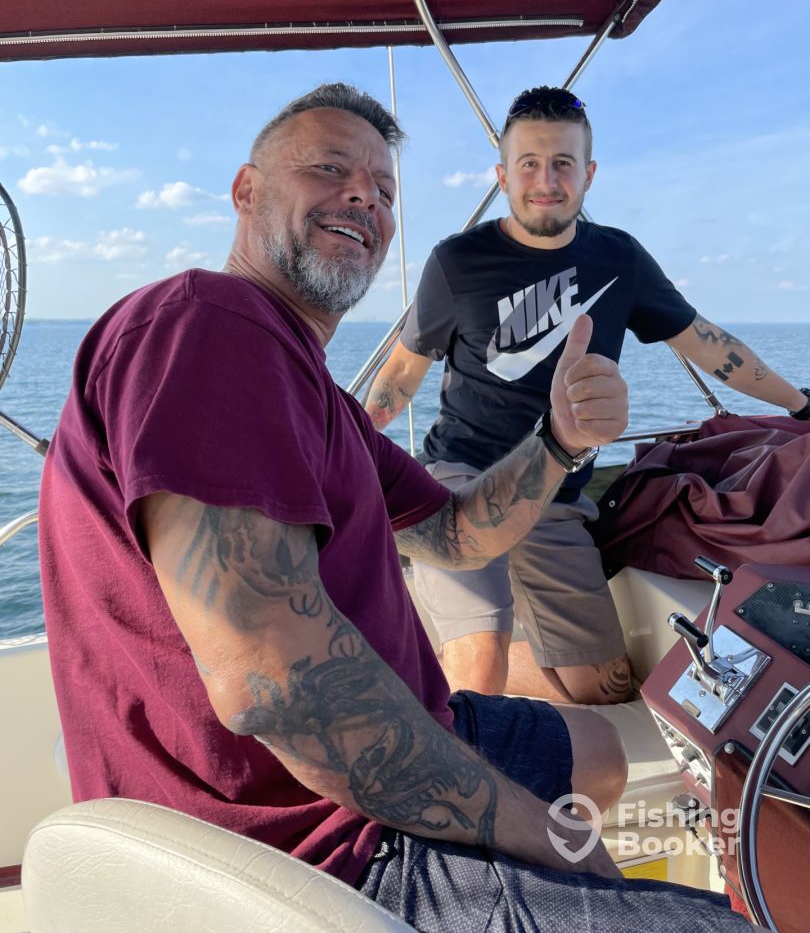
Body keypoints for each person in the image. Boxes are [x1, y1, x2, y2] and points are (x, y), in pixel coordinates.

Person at [39, 84, 754, 932]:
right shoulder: (209, 325)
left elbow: (455, 533)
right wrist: (548, 840)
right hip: (314, 842)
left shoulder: (319, 400)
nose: (365, 199)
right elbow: (279, 689)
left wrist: (559, 442)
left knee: (599, 753)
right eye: (329, 169)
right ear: (246, 191)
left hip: (405, 730)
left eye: (383, 190)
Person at [365, 86, 810, 705]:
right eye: (528, 164)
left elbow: (708, 344)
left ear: (589, 174)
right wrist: (347, 450)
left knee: (607, 689)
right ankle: (461, 680)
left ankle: (438, 674)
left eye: (563, 164)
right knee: (481, 663)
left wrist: (801, 405)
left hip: (556, 493)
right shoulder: (457, 262)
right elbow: (401, 373)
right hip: (462, 483)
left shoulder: (618, 258)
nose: (546, 181)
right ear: (502, 176)